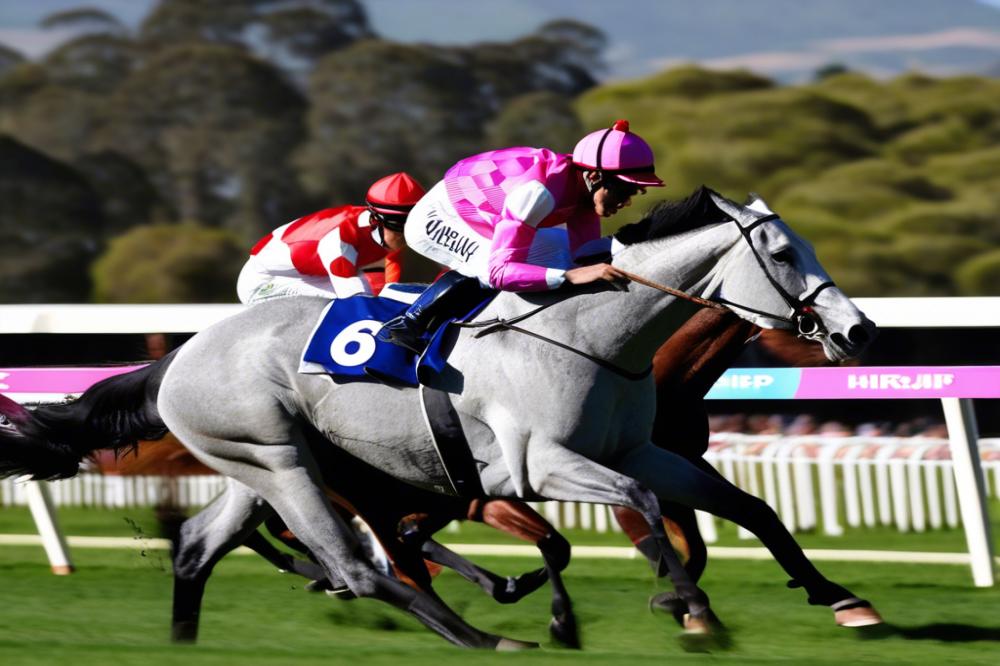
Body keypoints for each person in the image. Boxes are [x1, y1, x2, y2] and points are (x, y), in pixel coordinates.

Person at [378, 119, 664, 352]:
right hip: (438, 216)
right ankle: (408, 323)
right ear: (595, 177)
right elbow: (501, 272)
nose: (627, 202)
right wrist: (569, 277)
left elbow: (585, 256)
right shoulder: (539, 192)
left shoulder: (585, 192)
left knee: (564, 257)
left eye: (635, 192)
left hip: (482, 216)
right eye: (625, 190)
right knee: (489, 269)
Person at [236, 172, 426, 304]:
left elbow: (389, 278)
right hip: (265, 281)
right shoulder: (340, 241)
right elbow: (355, 300)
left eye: (413, 224)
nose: (406, 235)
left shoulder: (378, 227)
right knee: (352, 306)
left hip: (311, 276)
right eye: (399, 226)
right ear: (376, 220)